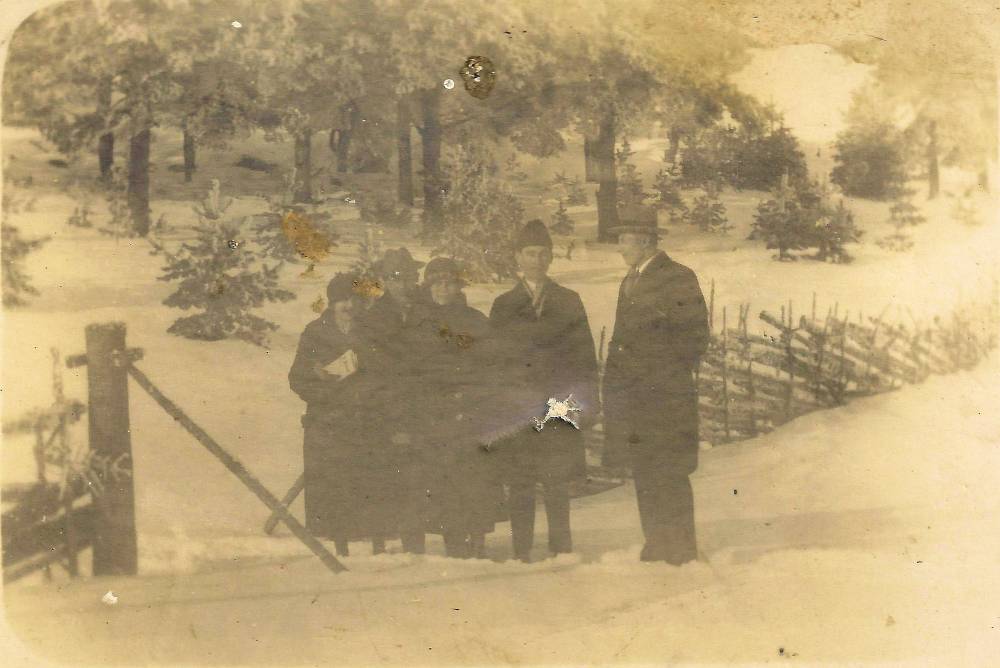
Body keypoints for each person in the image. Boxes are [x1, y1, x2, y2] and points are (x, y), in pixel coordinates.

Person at [602, 205, 709, 564]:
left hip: (666, 397)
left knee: (670, 471)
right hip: (636, 397)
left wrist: (656, 374)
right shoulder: (629, 281)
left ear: (645, 240)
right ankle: (656, 542)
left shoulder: (678, 276)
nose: (620, 247)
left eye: (625, 240)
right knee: (644, 469)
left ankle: (681, 547)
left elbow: (694, 337)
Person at [489, 220, 598, 562]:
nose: (536, 260)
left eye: (542, 254)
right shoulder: (504, 305)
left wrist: (585, 404)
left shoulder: (568, 301)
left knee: (556, 479)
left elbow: (585, 358)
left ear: (550, 258)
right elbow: (494, 362)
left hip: (558, 405)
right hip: (518, 407)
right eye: (529, 253)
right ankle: (521, 550)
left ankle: (560, 549)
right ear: (517, 257)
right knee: (520, 481)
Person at [288, 273, 398, 556]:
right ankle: (340, 547)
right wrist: (325, 385)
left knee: (370, 482)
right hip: (329, 422)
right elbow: (298, 378)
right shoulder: (315, 332)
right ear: (332, 303)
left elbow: (389, 375)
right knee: (334, 486)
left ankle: (377, 546)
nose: (348, 306)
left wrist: (372, 393)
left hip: (367, 420)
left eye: (354, 300)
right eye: (341, 300)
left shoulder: (373, 332)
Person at [406, 257, 506, 558]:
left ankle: (477, 538)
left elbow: (491, 363)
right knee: (443, 479)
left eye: (449, 283)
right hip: (434, 413)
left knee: (475, 478)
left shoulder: (476, 320)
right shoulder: (417, 323)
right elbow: (411, 370)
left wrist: (474, 395)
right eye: (437, 283)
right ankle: (453, 539)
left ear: (458, 287)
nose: (443, 289)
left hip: (472, 410)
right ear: (428, 287)